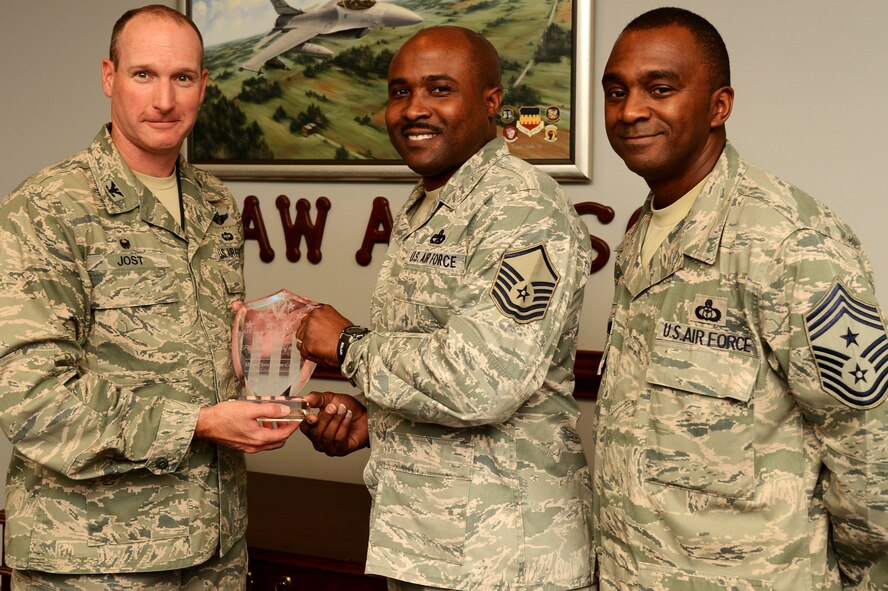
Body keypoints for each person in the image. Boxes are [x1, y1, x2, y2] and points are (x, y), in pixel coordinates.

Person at [0, 5, 300, 589]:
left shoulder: (214, 203)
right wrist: (201, 424)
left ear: (203, 85)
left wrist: (278, 386)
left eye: (182, 77)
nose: (164, 100)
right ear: (109, 77)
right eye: (144, 75)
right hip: (96, 556)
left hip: (215, 547)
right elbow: (31, 398)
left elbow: (201, 358)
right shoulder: (47, 208)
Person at [595, 7, 888, 590]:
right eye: (616, 91)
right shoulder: (642, 233)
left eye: (660, 89)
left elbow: (868, 445)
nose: (630, 111)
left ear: (719, 106)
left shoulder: (789, 239)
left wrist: (856, 576)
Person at [296, 26, 595, 591]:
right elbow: (437, 356)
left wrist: (347, 345)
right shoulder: (430, 201)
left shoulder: (521, 209)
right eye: (400, 91)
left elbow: (481, 381)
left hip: (505, 559)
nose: (414, 109)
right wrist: (378, 422)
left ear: (491, 101)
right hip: (432, 547)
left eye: (439, 89)